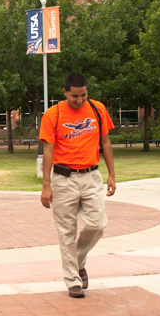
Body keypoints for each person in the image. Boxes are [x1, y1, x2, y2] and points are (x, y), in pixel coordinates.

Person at [39, 73, 116, 299]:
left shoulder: (98, 109)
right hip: (64, 179)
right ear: (64, 92)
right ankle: (72, 279)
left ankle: (79, 260)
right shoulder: (53, 114)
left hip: (92, 176)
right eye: (75, 96)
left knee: (97, 225)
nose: (80, 100)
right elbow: (48, 150)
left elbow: (105, 142)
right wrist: (46, 185)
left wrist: (112, 174)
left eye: (83, 95)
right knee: (66, 231)